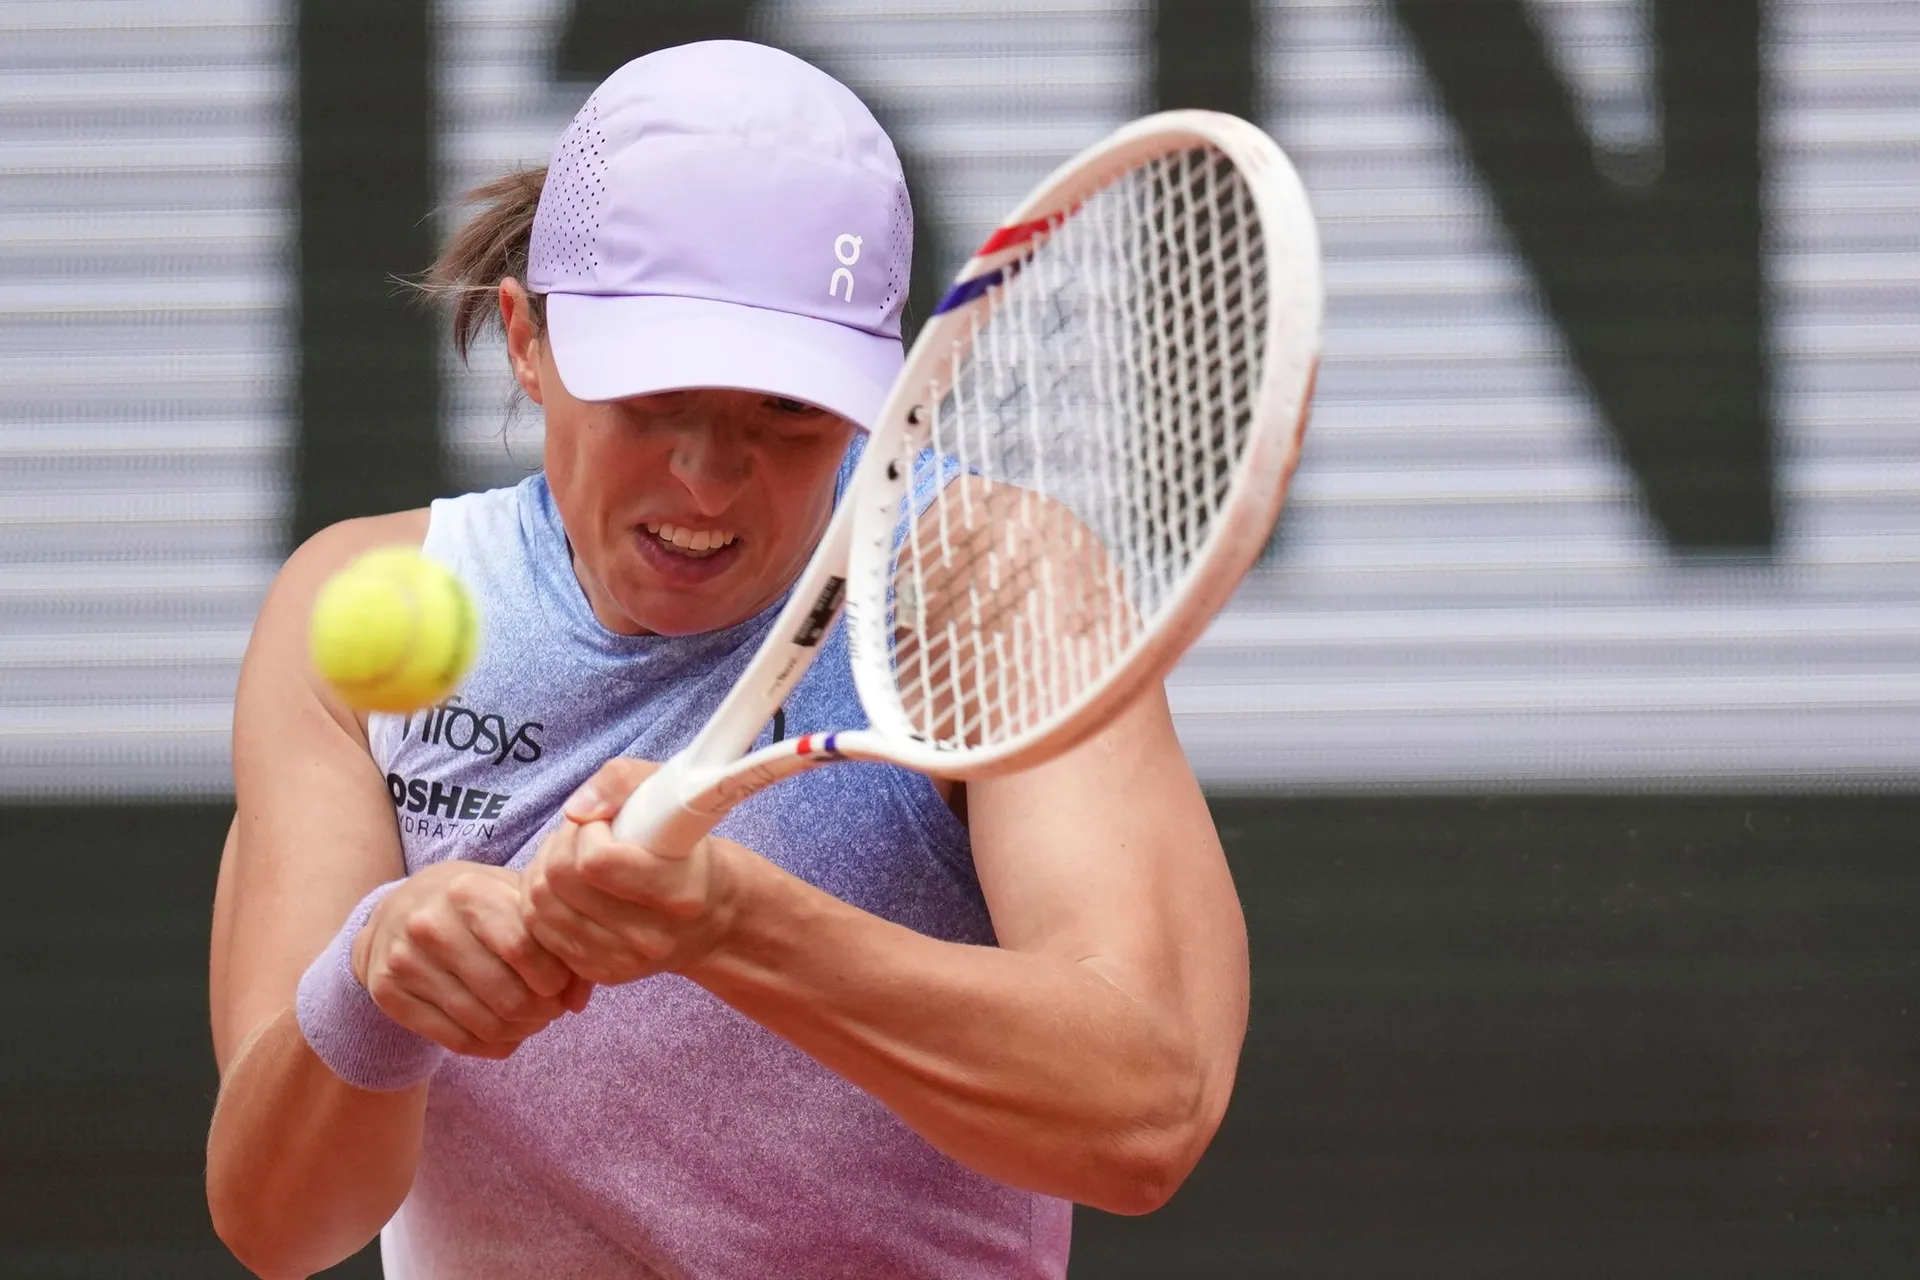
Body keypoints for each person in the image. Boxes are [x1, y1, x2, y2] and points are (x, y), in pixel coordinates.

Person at [206, 40, 1247, 1279]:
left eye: (786, 410)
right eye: (655, 399)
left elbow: (1146, 1112)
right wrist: (374, 982)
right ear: (529, 341)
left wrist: (739, 925)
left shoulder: (986, 583)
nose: (706, 478)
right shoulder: (351, 605)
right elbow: (275, 1223)